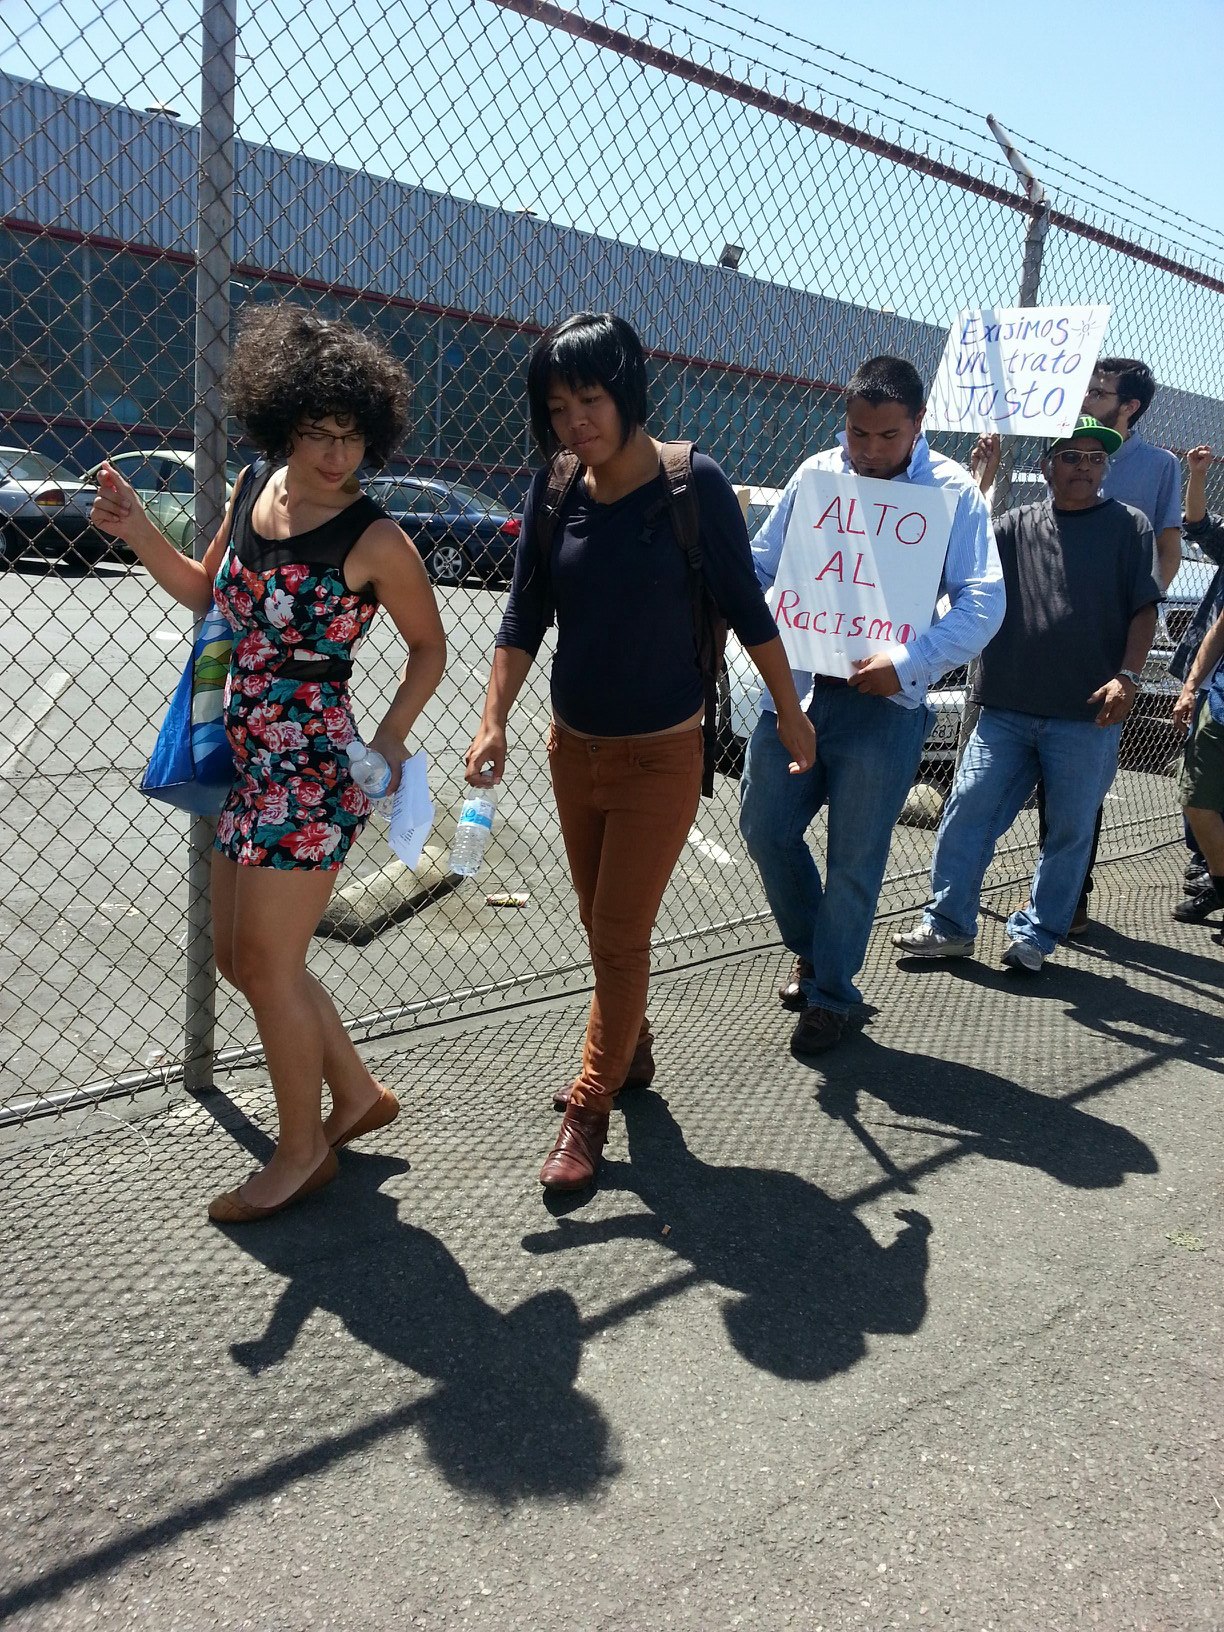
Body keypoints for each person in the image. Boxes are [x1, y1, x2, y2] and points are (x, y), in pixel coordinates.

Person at [91, 303, 447, 1222]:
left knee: (266, 961)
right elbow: (210, 595)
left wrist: (391, 739)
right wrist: (139, 531)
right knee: (240, 959)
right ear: (281, 421)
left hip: (314, 772)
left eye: (353, 436)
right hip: (241, 757)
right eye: (318, 431)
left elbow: (430, 647)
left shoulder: (375, 539)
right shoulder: (257, 485)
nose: (337, 454)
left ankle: (301, 1154)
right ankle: (355, 1095)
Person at [464, 311, 814, 1192]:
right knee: (600, 925)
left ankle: (591, 1105)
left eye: (589, 399)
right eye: (557, 407)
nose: (574, 421)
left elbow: (747, 605)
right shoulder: (556, 488)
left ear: (627, 392)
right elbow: (523, 613)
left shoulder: (693, 485)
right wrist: (492, 719)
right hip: (572, 749)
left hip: (661, 755)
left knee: (620, 934)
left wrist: (790, 710)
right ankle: (632, 1047)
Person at [740, 355, 1003, 1055]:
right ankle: (816, 951)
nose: (871, 450)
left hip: (885, 706)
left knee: (855, 859)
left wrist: (908, 662)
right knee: (765, 829)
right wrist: (753, 607)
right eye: (859, 433)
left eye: (888, 435)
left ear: (918, 424)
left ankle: (831, 995)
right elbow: (761, 564)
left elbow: (984, 602)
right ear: (845, 420)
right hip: (797, 691)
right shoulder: (817, 476)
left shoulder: (952, 493)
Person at [893, 416, 1160, 974]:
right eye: (1071, 456)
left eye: (1095, 458)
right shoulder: (1013, 525)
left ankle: (1036, 936)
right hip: (1006, 708)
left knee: (1069, 831)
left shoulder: (1129, 526)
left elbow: (1143, 608)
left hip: (1087, 716)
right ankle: (948, 926)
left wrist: (1128, 676)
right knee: (968, 812)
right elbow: (962, 557)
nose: (1084, 467)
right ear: (1046, 466)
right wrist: (980, 482)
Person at [974, 358, 1181, 933]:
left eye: (1099, 390)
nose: (1086, 396)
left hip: (1102, 655)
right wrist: (984, 477)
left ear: (1129, 406)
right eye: (1073, 458)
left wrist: (1140, 611)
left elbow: (1165, 548)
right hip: (1031, 664)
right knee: (990, 797)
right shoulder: (1055, 449)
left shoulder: (1156, 469)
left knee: (1073, 802)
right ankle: (965, 905)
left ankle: (1066, 905)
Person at [1170, 445, 1224, 923]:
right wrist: (1197, 474)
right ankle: (1212, 870)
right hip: (1217, 690)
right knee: (1198, 795)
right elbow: (1199, 525)